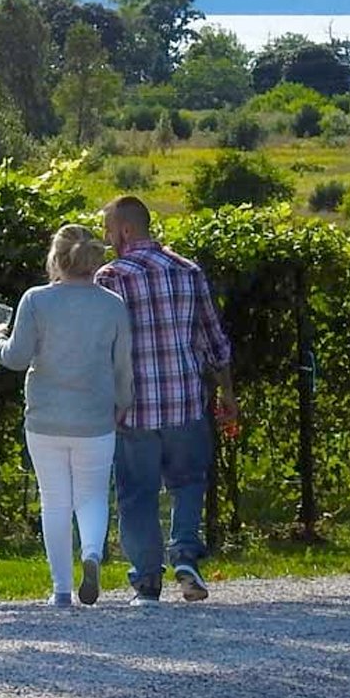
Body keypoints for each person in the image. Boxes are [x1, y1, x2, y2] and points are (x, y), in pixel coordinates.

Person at [95, 195, 236, 605]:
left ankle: (146, 581)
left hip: (133, 407)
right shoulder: (188, 270)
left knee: (136, 493)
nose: (106, 238)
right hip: (185, 401)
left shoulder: (111, 277)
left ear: (125, 230)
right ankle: (186, 557)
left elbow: (100, 346)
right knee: (188, 482)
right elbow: (214, 339)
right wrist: (226, 391)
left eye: (108, 229)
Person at [0, 223, 133, 607]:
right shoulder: (112, 305)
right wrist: (123, 402)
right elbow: (122, 365)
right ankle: (92, 553)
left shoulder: (36, 300)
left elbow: (16, 358)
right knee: (93, 495)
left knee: (55, 500)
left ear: (56, 258)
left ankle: (61, 590)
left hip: (45, 418)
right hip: (96, 417)